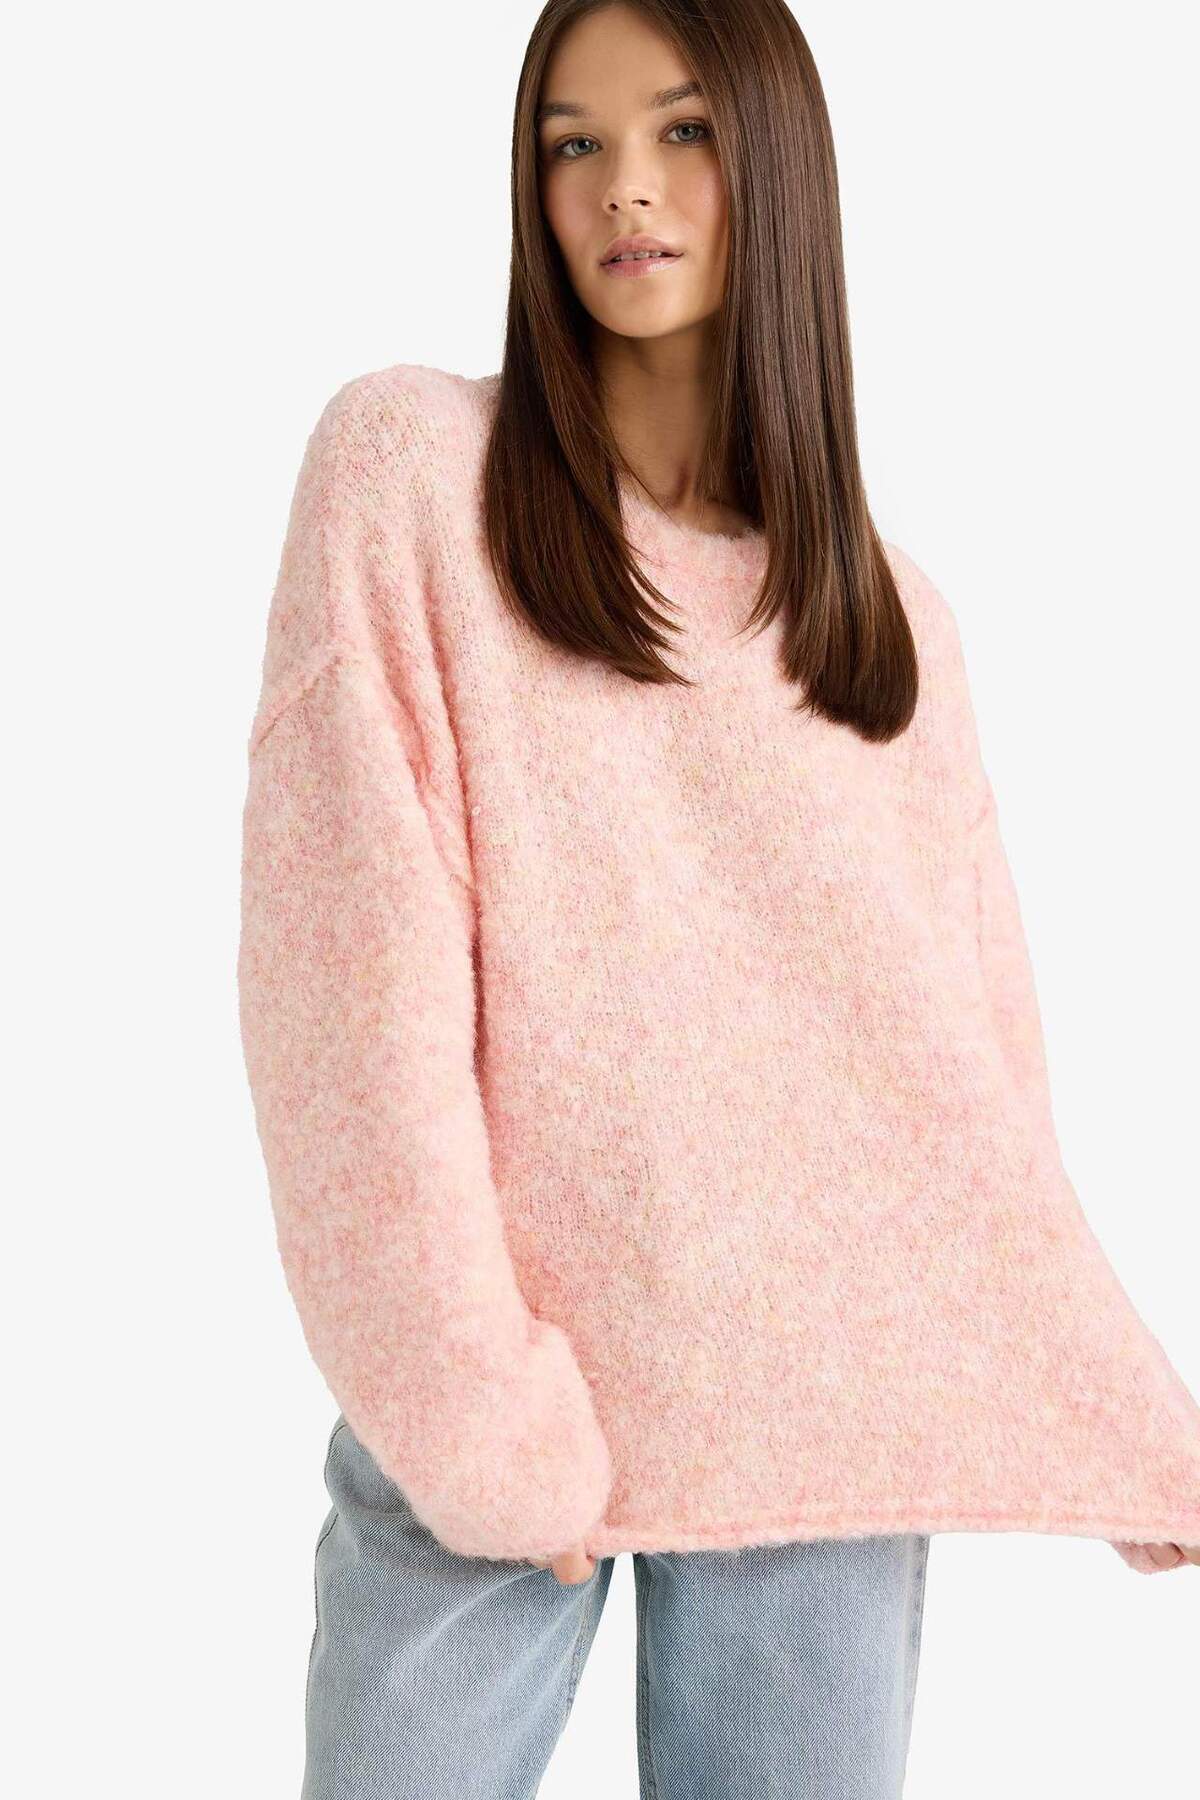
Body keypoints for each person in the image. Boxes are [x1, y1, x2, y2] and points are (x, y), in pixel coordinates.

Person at [236, 2, 1200, 1794]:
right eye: (573, 142)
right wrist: (479, 1415)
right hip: (496, 1412)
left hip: (826, 1422)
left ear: (779, 168)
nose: (625, 187)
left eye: (681, 131)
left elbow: (966, 1083)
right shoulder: (408, 476)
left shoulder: (891, 625)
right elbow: (346, 999)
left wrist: (1119, 1400)